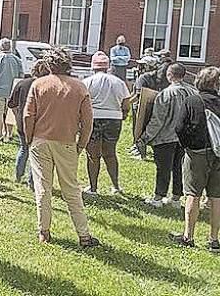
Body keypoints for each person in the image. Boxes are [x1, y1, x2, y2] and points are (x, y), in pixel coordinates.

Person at [23, 47, 99, 247]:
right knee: (72, 190)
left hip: (40, 141)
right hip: (66, 142)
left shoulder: (38, 84)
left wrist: (30, 138)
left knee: (43, 189)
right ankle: (83, 235)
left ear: (48, 65)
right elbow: (88, 123)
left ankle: (44, 231)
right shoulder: (80, 87)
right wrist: (80, 144)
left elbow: (28, 115)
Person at [171, 67, 220, 253]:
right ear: (217, 84)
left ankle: (188, 236)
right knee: (217, 198)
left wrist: (187, 145)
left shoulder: (191, 101)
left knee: (193, 195)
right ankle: (214, 240)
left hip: (196, 153)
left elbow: (179, 128)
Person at [140, 63, 196, 208]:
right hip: (184, 138)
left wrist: (145, 136)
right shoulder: (192, 92)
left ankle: (159, 197)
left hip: (165, 137)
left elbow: (158, 119)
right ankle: (176, 198)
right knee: (179, 167)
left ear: (169, 75)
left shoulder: (166, 93)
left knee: (163, 168)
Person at [82, 52, 130, 195]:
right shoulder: (118, 82)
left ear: (93, 66)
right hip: (114, 119)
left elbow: (82, 102)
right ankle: (116, 186)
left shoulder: (87, 82)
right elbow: (126, 103)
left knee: (93, 155)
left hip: (94, 118)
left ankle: (93, 188)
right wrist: (124, 113)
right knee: (110, 153)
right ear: (108, 67)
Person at [8, 60, 49, 187]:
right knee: (35, 153)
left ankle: (18, 176)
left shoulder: (22, 84)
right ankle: (31, 181)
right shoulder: (45, 86)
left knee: (23, 148)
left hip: (22, 121)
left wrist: (17, 115)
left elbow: (12, 104)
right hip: (38, 123)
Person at [0, 38, 23, 142]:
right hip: (12, 91)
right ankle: (9, 134)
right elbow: (21, 75)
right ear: (10, 47)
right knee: (10, 114)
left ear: (0, 47)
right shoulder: (17, 60)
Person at [129, 55, 160, 159]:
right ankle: (137, 147)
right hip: (152, 105)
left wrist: (126, 103)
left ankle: (139, 150)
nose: (138, 67)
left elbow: (138, 95)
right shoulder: (156, 77)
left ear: (147, 66)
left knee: (138, 128)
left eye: (141, 65)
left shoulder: (142, 78)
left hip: (140, 106)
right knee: (146, 128)